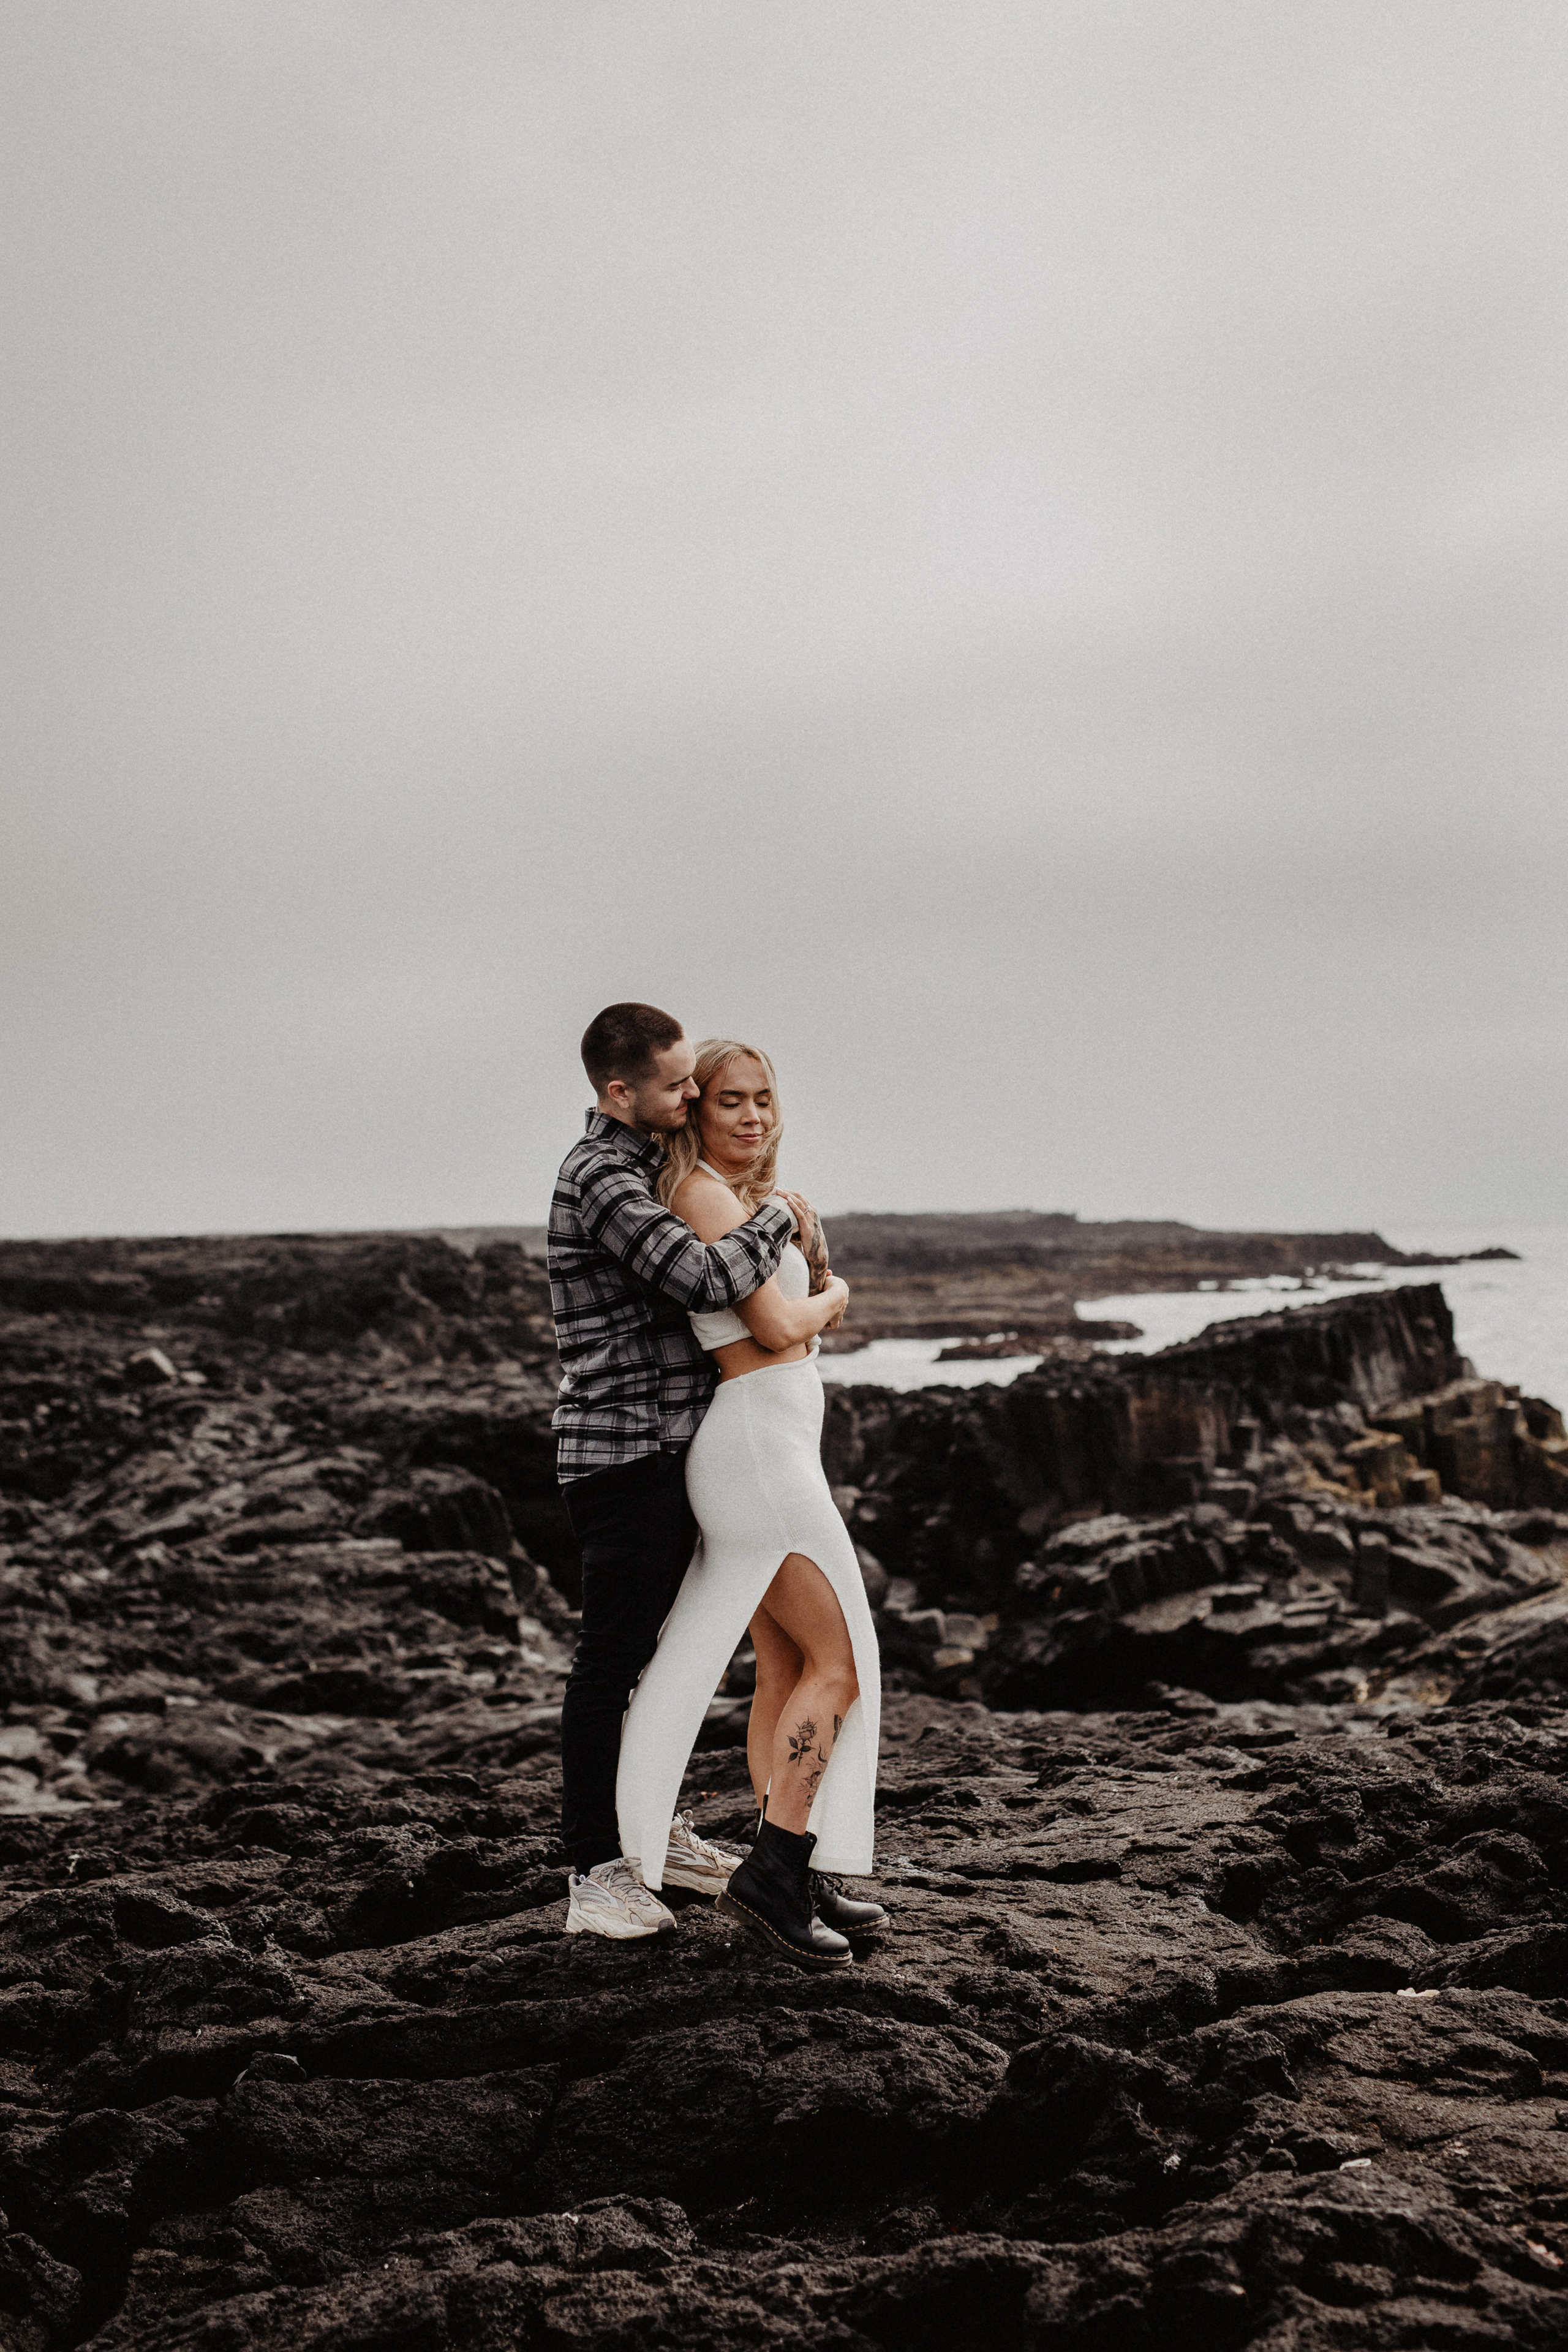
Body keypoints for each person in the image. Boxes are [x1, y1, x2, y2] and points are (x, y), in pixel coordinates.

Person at [616, 1038, 886, 1970]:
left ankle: (792, 1866)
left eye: (764, 1099)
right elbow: (777, 1327)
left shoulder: (749, 1204)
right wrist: (838, 1294)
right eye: (730, 1099)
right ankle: (774, 1873)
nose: (752, 1116)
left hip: (770, 1447)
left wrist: (790, 1234)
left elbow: (780, 1305)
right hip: (759, 1458)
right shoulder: (700, 1195)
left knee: (784, 1665)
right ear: (693, 1109)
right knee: (839, 1664)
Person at [550, 1003, 816, 1942]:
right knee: (610, 1664)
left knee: (659, 1658)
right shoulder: (602, 1180)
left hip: (666, 1444)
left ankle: (649, 1834)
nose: (694, 1094)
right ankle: (595, 1873)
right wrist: (778, 1215)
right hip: (621, 1450)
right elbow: (704, 1281)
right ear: (620, 1092)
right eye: (677, 1085)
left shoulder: (639, 1169)